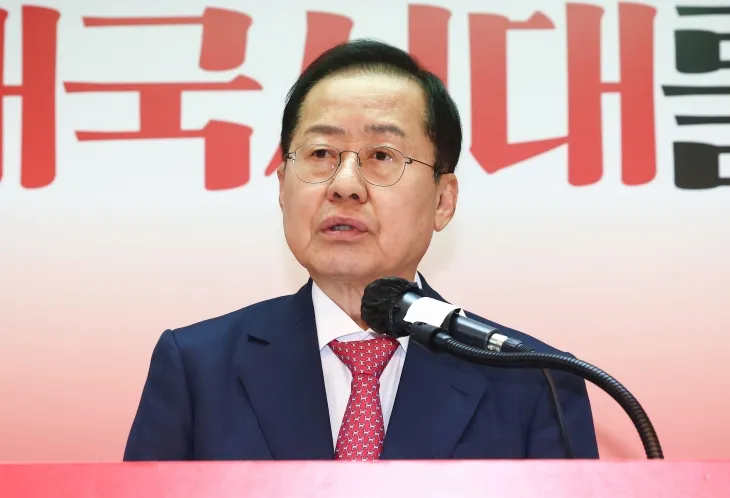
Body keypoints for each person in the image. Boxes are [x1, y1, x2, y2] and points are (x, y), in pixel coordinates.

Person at [123, 39, 599, 461]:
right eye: (320, 154)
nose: (345, 184)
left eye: (382, 156)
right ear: (282, 187)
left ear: (443, 199)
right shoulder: (196, 369)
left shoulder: (534, 380)